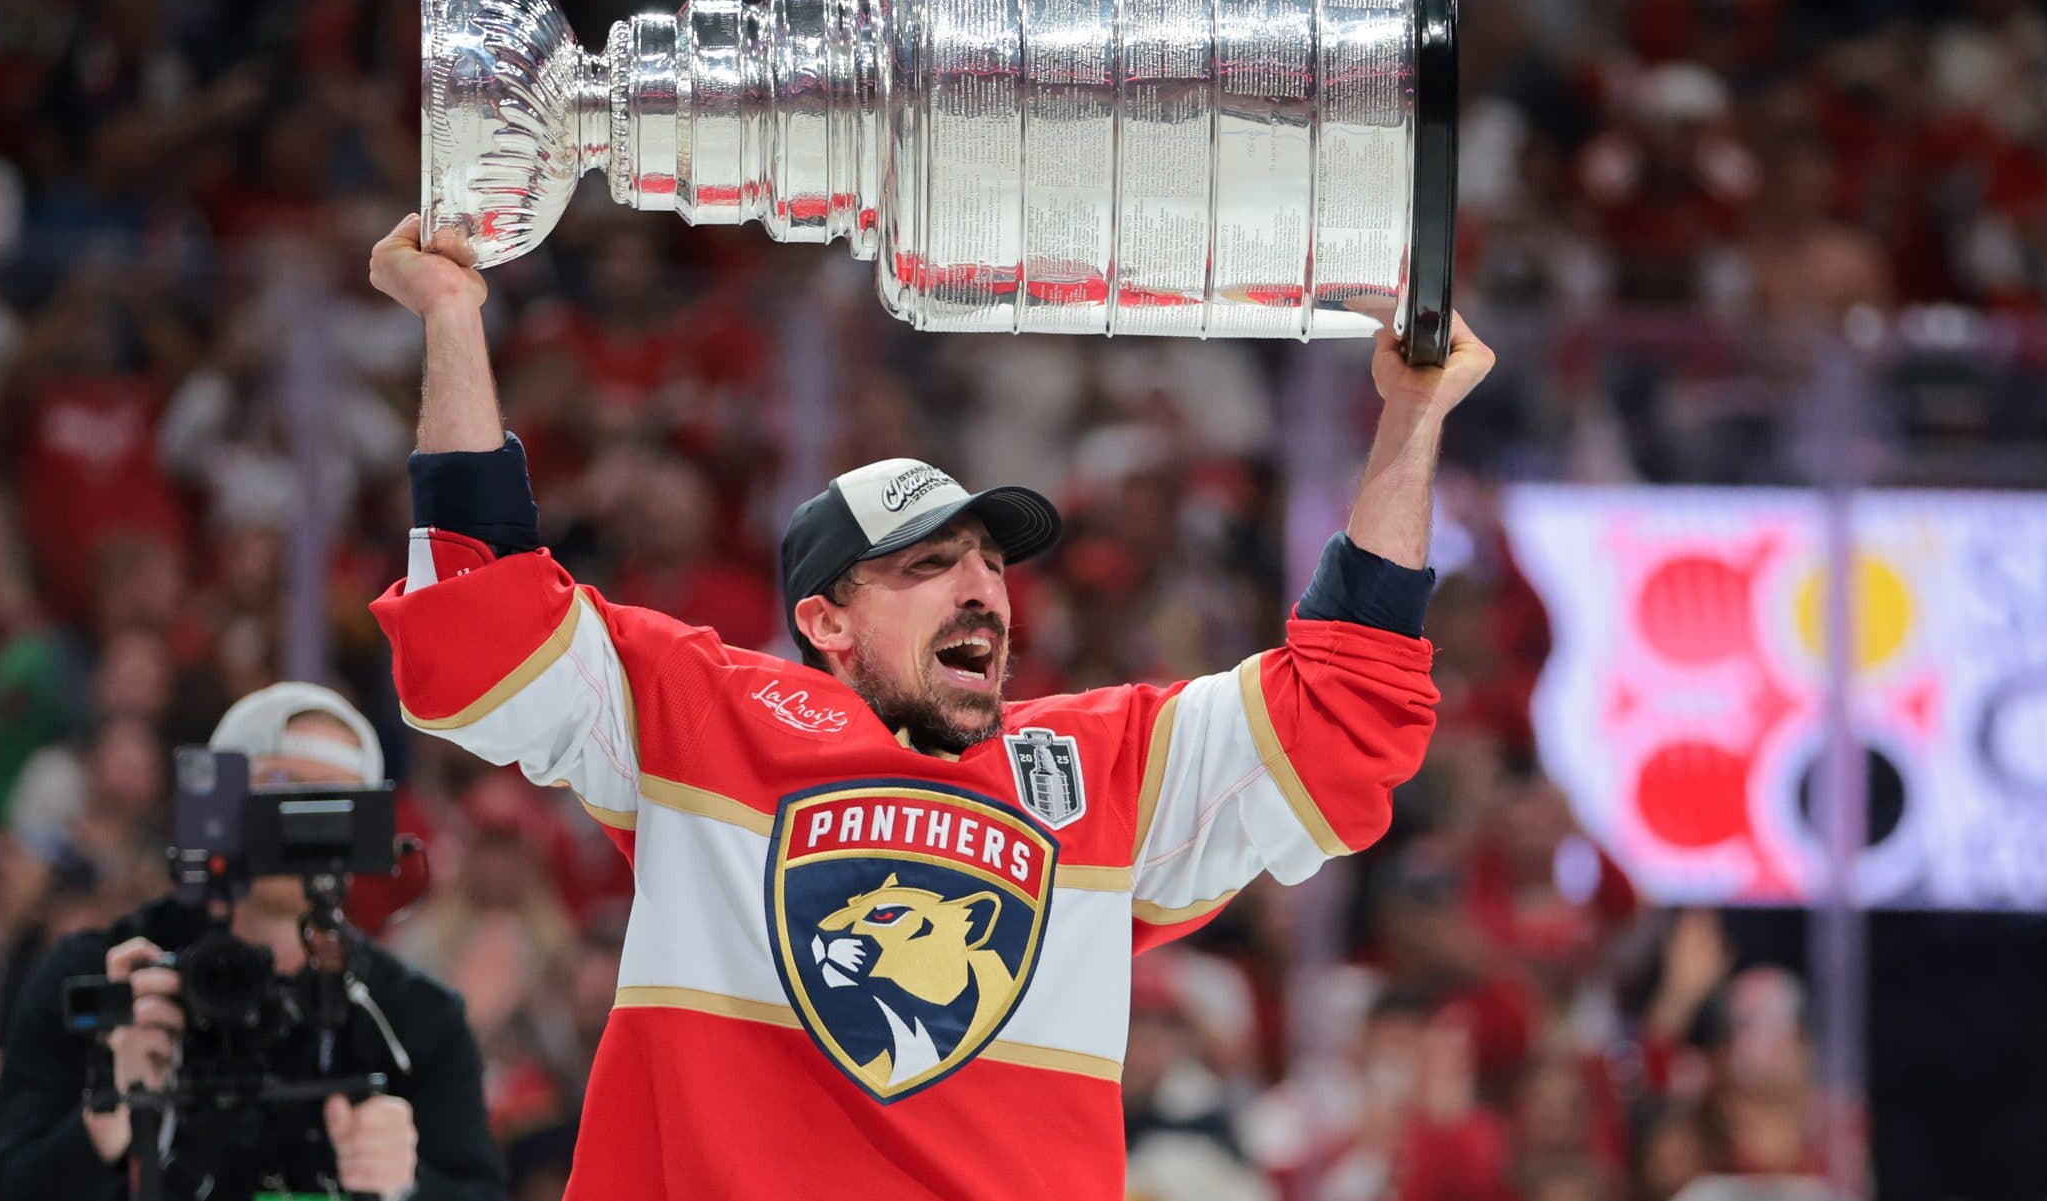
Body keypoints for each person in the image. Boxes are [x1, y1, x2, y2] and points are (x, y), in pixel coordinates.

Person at [366, 214, 1495, 1199]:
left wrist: (1412, 413)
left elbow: (1345, 709)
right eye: (928, 565)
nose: (982, 588)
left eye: (991, 563)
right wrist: (453, 317)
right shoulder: (702, 714)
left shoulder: (1101, 766)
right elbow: (482, 625)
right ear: (825, 620)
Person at [0, 683, 506, 1201]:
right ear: (218, 807)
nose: (304, 825)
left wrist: (407, 1185)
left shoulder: (411, 1018)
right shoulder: (101, 976)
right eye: (282, 789)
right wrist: (106, 1125)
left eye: (334, 801)